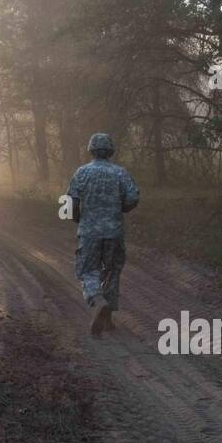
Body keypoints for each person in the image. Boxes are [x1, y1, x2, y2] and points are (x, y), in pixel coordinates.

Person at [65, 133, 140, 337]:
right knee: (111, 271)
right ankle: (107, 320)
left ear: (91, 150)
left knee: (87, 271)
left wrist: (78, 220)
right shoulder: (120, 173)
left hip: (89, 232)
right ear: (110, 151)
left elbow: (70, 201)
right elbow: (133, 197)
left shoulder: (81, 173)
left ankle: (97, 301)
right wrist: (119, 209)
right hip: (114, 232)